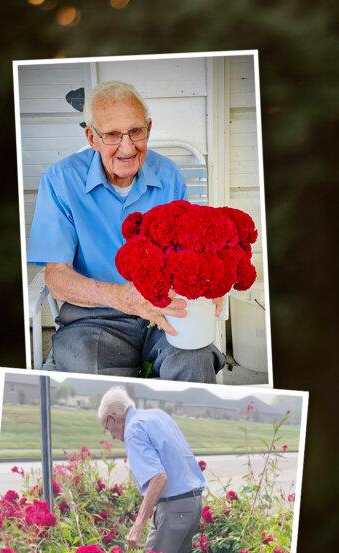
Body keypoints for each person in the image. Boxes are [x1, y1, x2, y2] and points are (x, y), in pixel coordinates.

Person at [27, 80, 223, 382]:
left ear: (149, 128)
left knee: (194, 360)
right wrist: (123, 297)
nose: (128, 146)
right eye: (112, 135)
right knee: (89, 370)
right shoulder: (61, 180)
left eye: (136, 131)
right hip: (95, 317)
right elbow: (57, 278)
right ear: (92, 137)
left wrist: (211, 281)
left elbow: (190, 253)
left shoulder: (169, 177)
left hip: (163, 311)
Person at [98, 386, 205, 553]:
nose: (110, 434)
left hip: (174, 509)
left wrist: (137, 526)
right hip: (192, 504)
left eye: (106, 426)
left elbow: (158, 477)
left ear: (113, 417)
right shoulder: (157, 415)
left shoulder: (133, 430)